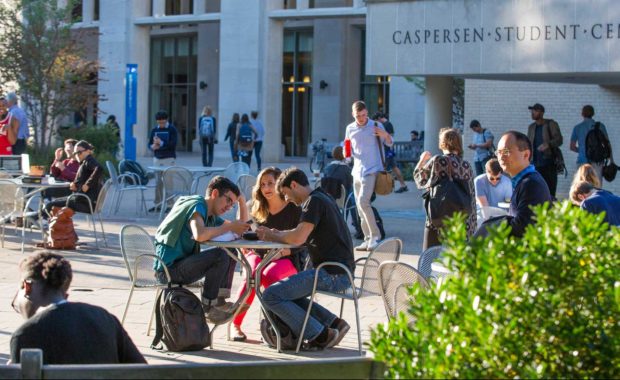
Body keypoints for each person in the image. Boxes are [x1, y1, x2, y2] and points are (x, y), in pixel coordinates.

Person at [257, 168, 354, 350]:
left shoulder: (313, 202)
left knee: (270, 295)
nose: (287, 199)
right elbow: (298, 234)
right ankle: (335, 324)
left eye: (286, 193)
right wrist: (279, 234)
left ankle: (321, 335)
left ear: (294, 185)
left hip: (330, 273)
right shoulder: (322, 196)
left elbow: (298, 238)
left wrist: (272, 235)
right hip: (339, 271)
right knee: (286, 294)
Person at [10, 252, 146, 364]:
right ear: (65, 294)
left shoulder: (25, 335)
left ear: (27, 287)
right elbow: (142, 370)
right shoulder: (104, 318)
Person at [154, 176, 250, 324]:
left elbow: (239, 230)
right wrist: (229, 227)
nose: (229, 207)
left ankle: (219, 300)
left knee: (230, 252)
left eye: (233, 204)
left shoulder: (210, 214)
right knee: (219, 255)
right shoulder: (197, 205)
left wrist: (242, 203)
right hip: (168, 271)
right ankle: (208, 308)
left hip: (181, 266)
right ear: (215, 193)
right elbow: (199, 234)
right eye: (228, 201)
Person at [231, 167, 302, 341]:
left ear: (280, 184)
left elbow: (305, 240)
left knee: (270, 275)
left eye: (270, 183)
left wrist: (287, 250)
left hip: (287, 256)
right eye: (262, 184)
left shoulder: (294, 207)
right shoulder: (254, 207)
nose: (266, 188)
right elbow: (241, 231)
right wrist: (243, 245)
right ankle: (235, 324)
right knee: (252, 273)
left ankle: (274, 325)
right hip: (257, 253)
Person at [414, 127, 476, 250]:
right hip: (461, 218)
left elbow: (420, 179)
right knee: (457, 257)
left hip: (438, 216)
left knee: (430, 256)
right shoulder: (466, 165)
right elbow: (471, 194)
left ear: (443, 143)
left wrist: (422, 160)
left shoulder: (439, 160)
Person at [345, 101, 393, 251]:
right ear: (353, 114)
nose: (361, 118)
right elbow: (347, 145)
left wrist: (385, 135)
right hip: (357, 170)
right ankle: (367, 239)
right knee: (360, 207)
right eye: (358, 116)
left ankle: (375, 236)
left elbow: (390, 143)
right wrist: (346, 156)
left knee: (363, 201)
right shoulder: (350, 128)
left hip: (372, 169)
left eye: (364, 115)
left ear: (367, 113)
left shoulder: (376, 125)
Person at [496, 131, 553, 237]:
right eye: (498, 152)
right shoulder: (523, 181)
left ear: (526, 154)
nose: (501, 157)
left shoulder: (531, 184)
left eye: (506, 151)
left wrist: (493, 227)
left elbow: (522, 228)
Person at [44, 141, 103, 218]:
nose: (77, 155)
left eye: (79, 152)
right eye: (75, 153)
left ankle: (40, 220)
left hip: (85, 203)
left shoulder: (89, 160)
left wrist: (88, 184)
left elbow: (99, 168)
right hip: (83, 200)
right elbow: (83, 178)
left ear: (88, 151)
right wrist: (75, 185)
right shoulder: (84, 162)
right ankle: (44, 221)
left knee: (50, 205)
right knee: (52, 203)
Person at [322, 145, 363, 239]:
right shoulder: (347, 170)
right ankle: (357, 227)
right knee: (352, 197)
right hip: (342, 200)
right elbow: (350, 184)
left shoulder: (327, 168)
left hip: (327, 199)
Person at [527, 103, 563, 198]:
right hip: (534, 164)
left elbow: (559, 139)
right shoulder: (531, 127)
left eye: (535, 111)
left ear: (541, 112)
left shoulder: (551, 124)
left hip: (549, 163)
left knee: (550, 191)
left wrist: (548, 144)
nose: (532, 113)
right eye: (532, 111)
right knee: (536, 191)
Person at [148, 110, 178, 213]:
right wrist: (152, 146)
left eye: (163, 122)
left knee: (169, 182)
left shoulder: (172, 129)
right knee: (158, 183)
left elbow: (173, 144)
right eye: (159, 122)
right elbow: (149, 143)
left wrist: (161, 143)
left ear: (166, 120)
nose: (161, 124)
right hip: (157, 158)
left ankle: (170, 205)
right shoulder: (154, 130)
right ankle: (158, 204)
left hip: (169, 158)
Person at [570, 105, 609, 179]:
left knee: (582, 186)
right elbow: (607, 144)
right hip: (597, 161)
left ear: (582, 114)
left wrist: (583, 150)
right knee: (596, 186)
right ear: (593, 113)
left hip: (582, 160)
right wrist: (611, 160)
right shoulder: (601, 126)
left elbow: (572, 147)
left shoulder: (577, 128)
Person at [375, 112, 408, 193]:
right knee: (394, 167)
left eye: (376, 121)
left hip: (387, 150)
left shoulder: (386, 125)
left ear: (379, 118)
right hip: (389, 150)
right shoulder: (387, 124)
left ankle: (386, 186)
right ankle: (403, 185)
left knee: (385, 168)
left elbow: (389, 137)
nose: (377, 123)